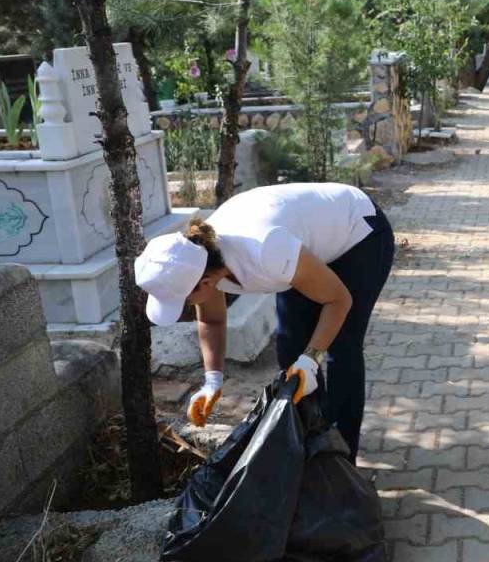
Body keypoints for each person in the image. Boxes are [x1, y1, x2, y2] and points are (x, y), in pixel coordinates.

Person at [135, 183, 395, 461]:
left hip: (358, 233)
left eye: (185, 299)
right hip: (302, 243)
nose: (188, 305)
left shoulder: (265, 251)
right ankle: (314, 445)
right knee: (290, 349)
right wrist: (212, 381)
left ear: (205, 283)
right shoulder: (199, 258)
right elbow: (211, 320)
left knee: (341, 347)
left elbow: (338, 300)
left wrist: (312, 358)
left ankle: (342, 457)